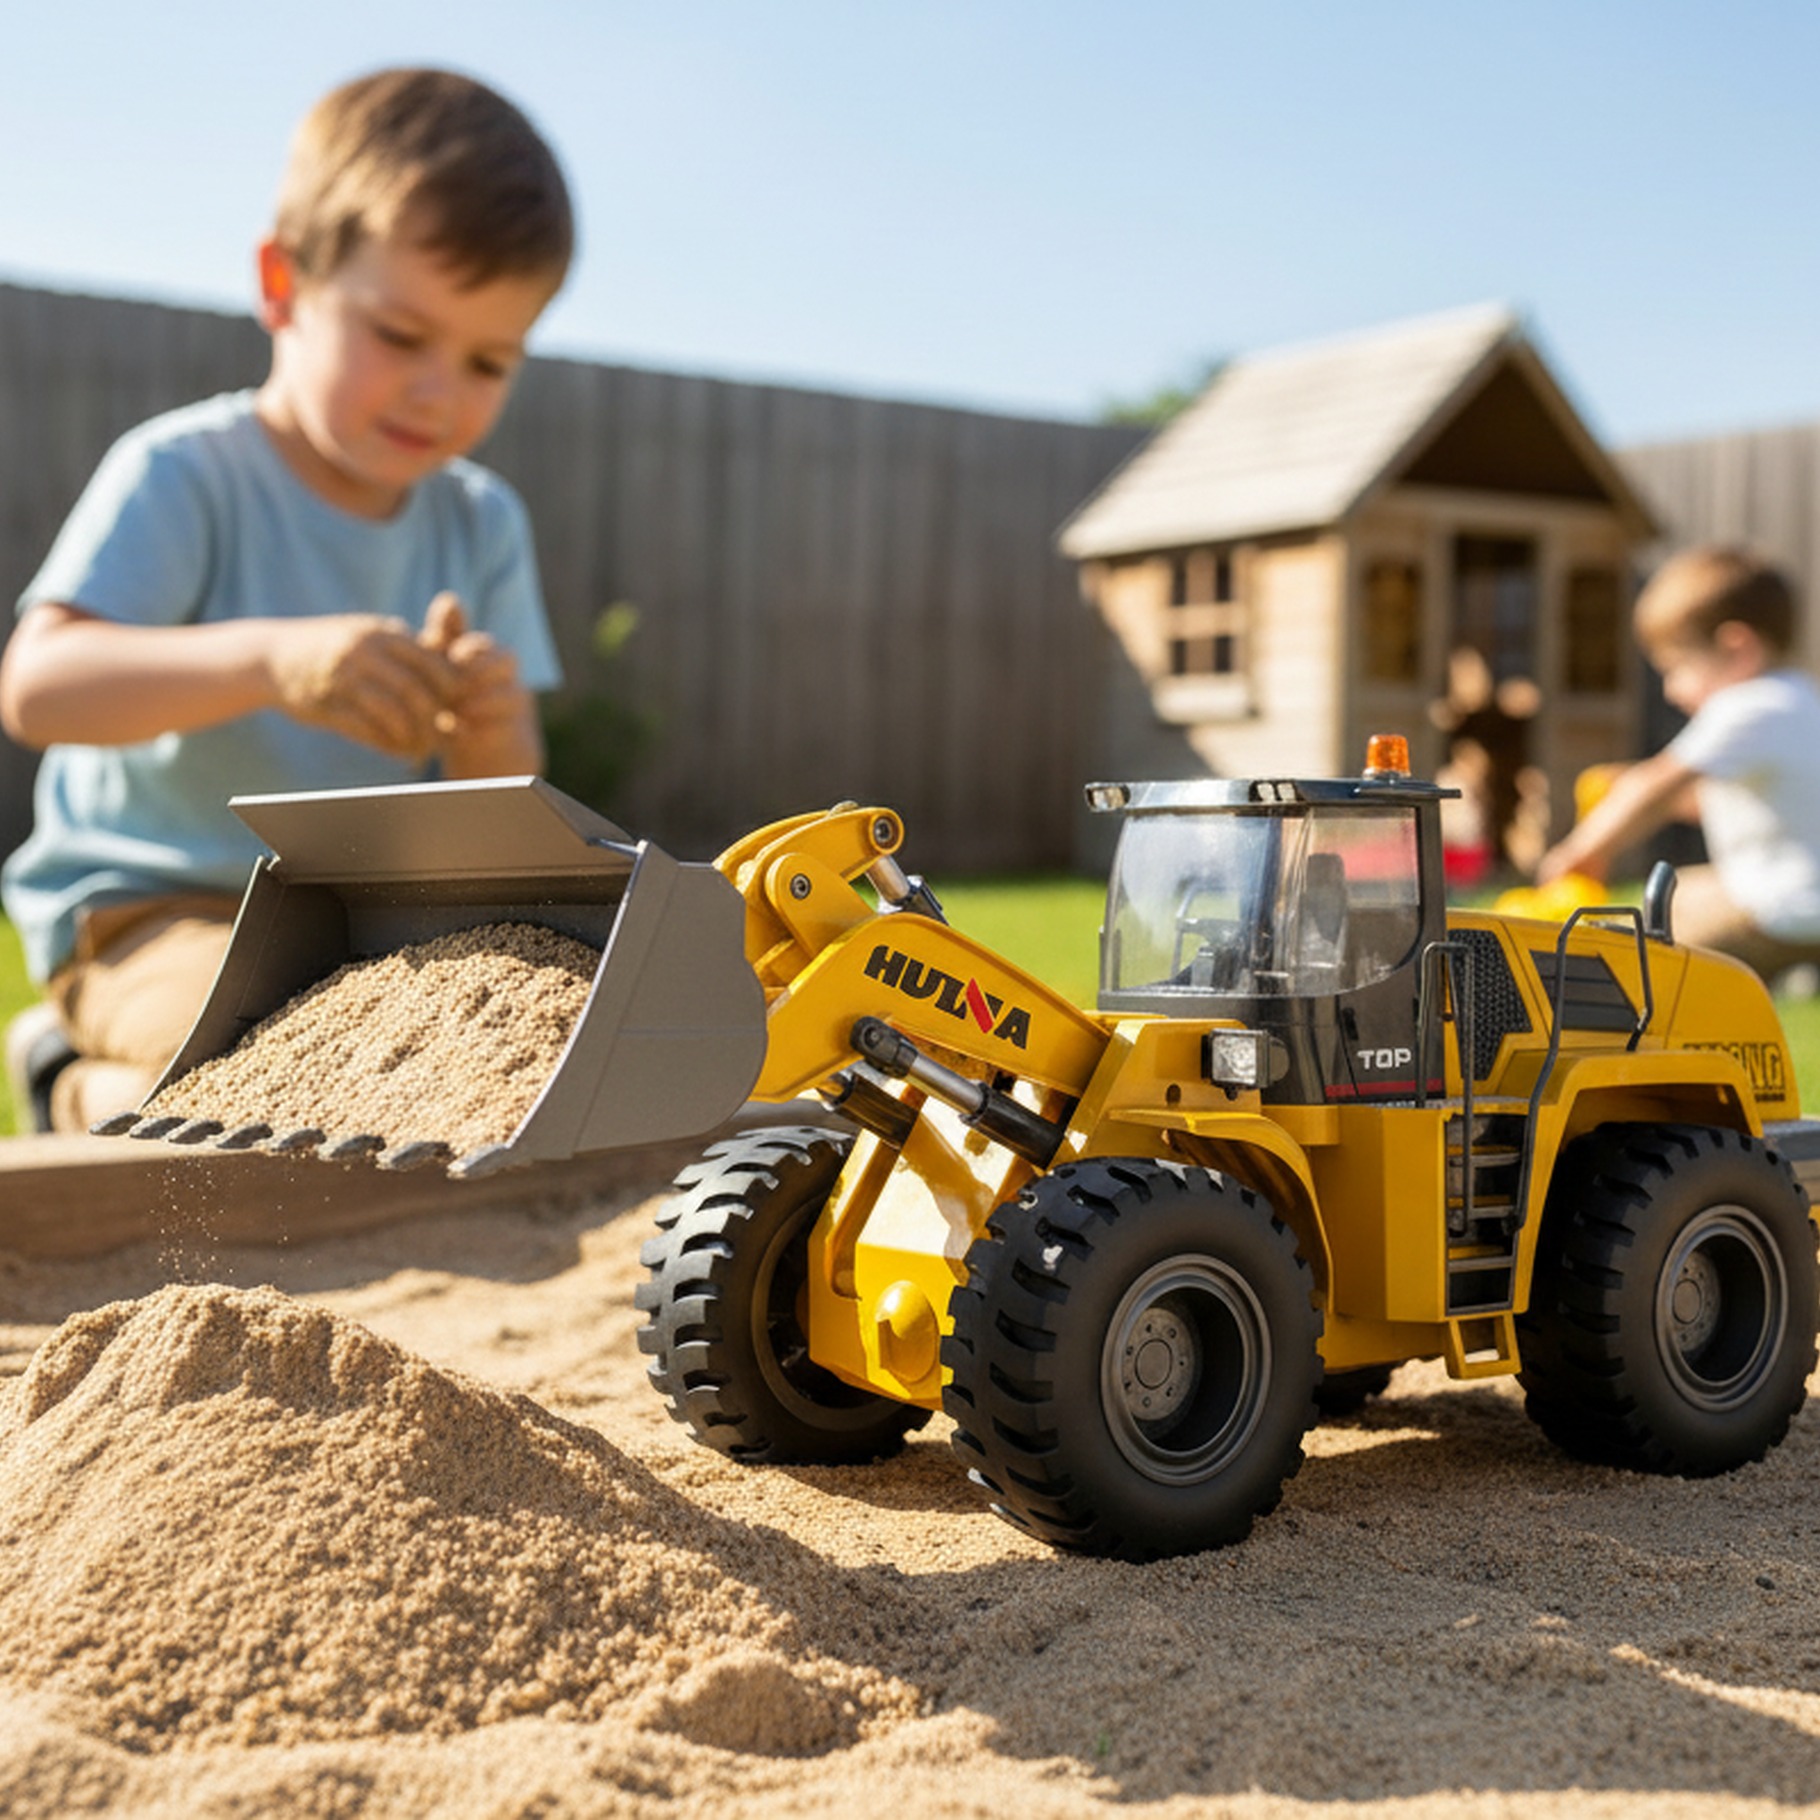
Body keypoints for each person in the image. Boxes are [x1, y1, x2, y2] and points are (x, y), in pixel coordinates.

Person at [0, 67, 572, 1132]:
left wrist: (490, 727)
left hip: (353, 920)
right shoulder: (187, 474)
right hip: (147, 913)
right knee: (268, 1064)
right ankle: (68, 1081)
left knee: (519, 1045)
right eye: (400, 336)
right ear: (283, 282)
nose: (438, 389)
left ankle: (135, 1101)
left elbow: (501, 799)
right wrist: (268, 662)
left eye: (488, 359)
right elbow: (39, 688)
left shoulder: (480, 521)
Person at [1535, 546, 1820, 982]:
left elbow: (1656, 785)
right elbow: (1723, 804)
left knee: (1647, 933)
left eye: (1678, 667)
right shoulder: (1797, 698)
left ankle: (1770, 972)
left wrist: (1581, 853)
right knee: (1685, 891)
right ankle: (1795, 972)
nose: (1671, 689)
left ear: (1737, 648)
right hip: (1801, 908)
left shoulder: (1746, 706)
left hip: (1781, 913)